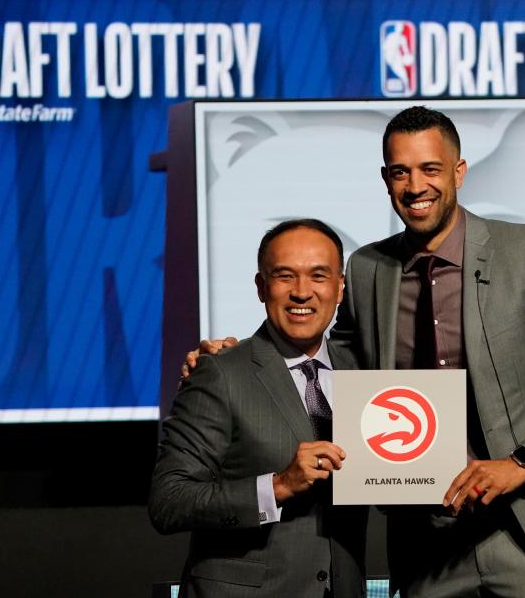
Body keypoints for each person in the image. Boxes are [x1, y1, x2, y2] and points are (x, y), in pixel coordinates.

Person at [188, 106, 525, 597]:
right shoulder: (366, 270)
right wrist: (241, 357)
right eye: (400, 171)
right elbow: (327, 362)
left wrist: (523, 463)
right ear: (386, 179)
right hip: (426, 547)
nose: (415, 185)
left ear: (459, 173)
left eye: (430, 169)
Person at [151, 219, 367, 598]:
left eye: (319, 276)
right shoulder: (220, 372)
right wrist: (278, 486)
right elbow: (170, 502)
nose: (303, 293)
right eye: (285, 276)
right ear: (261, 287)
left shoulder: (365, 372)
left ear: (339, 288)